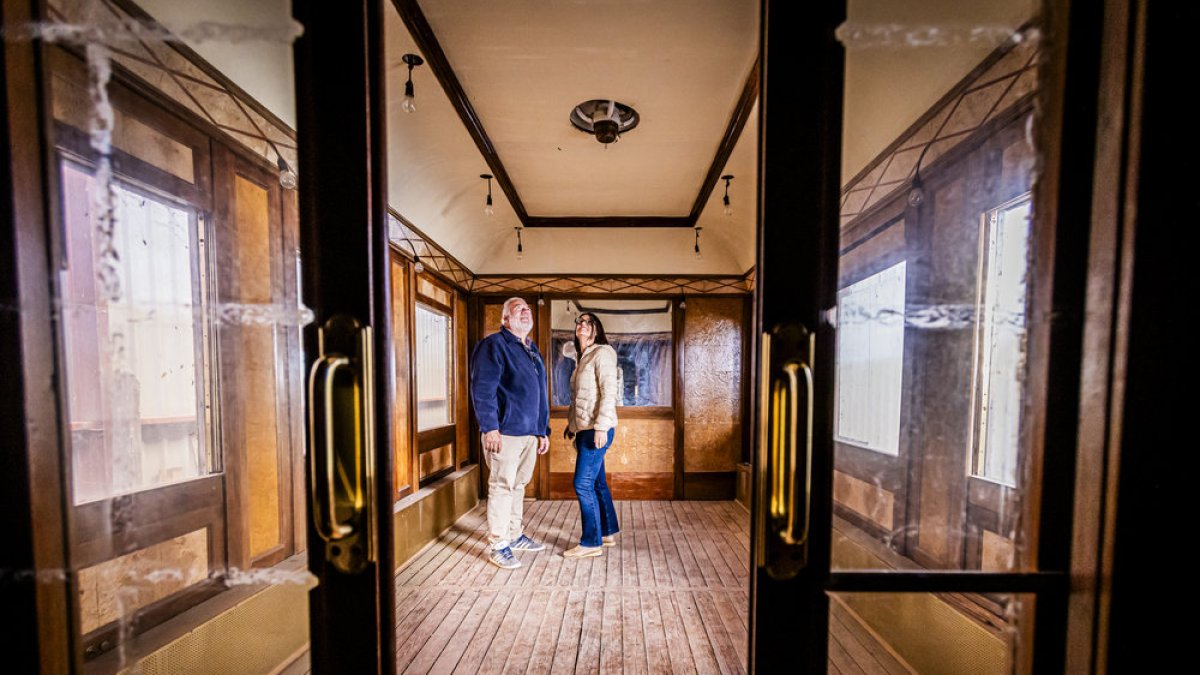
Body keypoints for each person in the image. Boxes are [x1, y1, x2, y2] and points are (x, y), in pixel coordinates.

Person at [470, 297, 551, 569]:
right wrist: (489, 427)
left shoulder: (530, 348)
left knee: (519, 484)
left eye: (528, 309)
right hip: (504, 432)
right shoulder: (493, 345)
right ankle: (498, 544)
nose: (526, 312)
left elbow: (540, 394)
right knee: (502, 486)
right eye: (519, 309)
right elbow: (483, 388)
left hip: (529, 433)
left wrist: (543, 431)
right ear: (505, 319)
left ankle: (514, 535)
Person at [562, 312, 621, 559]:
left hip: (597, 429)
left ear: (596, 329)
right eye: (579, 322)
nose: (582, 325)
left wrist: (600, 427)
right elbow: (581, 399)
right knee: (596, 482)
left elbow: (609, 392)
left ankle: (590, 543)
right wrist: (571, 425)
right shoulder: (582, 358)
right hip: (584, 429)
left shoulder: (603, 353)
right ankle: (606, 533)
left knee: (582, 484)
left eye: (588, 322)